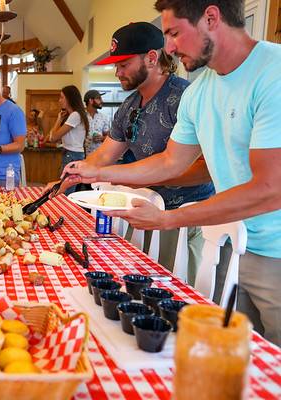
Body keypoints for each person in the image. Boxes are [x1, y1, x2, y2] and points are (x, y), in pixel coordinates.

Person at [65, 0, 281, 345]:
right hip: (229, 244)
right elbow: (169, 162)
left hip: (275, 251)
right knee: (229, 354)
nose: (169, 47)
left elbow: (270, 188)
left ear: (211, 17)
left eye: (175, 33)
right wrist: (98, 174)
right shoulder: (200, 91)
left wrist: (169, 218)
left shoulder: (273, 73)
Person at [49, 22, 215, 273]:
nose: (117, 72)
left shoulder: (185, 97)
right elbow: (104, 154)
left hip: (184, 217)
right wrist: (69, 176)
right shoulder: (129, 105)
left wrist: (141, 178)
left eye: (124, 64)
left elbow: (206, 169)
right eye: (116, 65)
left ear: (151, 58)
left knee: (175, 287)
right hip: (143, 210)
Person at [46, 85, 90, 194]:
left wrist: (58, 119)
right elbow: (52, 137)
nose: (59, 100)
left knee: (65, 191)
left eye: (62, 97)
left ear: (69, 98)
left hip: (72, 155)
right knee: (66, 189)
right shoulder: (75, 115)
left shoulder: (75, 115)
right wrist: (60, 119)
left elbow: (53, 137)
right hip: (72, 154)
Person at [83, 90, 111, 156]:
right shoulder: (80, 116)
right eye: (98, 99)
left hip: (99, 156)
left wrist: (102, 138)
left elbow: (109, 136)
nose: (102, 101)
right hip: (82, 156)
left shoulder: (103, 117)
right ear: (91, 101)